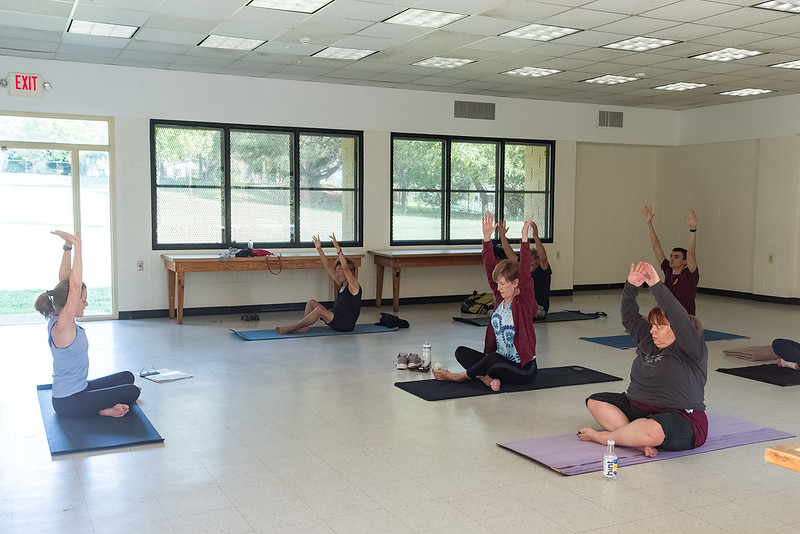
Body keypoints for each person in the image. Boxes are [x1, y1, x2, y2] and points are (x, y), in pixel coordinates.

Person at [578, 261, 708, 457]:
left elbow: (677, 315)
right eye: (652, 325)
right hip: (637, 407)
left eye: (660, 326)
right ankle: (635, 441)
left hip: (679, 416)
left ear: (676, 329)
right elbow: (629, 318)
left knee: (652, 429)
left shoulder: (689, 347)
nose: (652, 330)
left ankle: (607, 438)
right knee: (596, 402)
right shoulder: (648, 339)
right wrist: (630, 287)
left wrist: (656, 284)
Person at [34, 231, 140, 418]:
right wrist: (79, 247)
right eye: (83, 300)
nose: (86, 303)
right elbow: (74, 287)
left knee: (127, 377)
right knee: (132, 391)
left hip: (79, 389)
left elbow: (66, 282)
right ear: (72, 303)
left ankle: (99, 405)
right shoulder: (62, 327)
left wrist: (68, 247)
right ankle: (101, 410)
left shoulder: (58, 314)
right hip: (69, 401)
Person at [433, 213, 538, 392]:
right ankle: (486, 379)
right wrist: (487, 238)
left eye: (503, 284)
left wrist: (524, 238)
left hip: (523, 369)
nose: (499, 289)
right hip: (499, 362)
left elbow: (526, 275)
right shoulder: (499, 298)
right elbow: (490, 267)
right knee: (462, 352)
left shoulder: (524, 302)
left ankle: (458, 377)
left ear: (515, 283)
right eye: (498, 284)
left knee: (493, 360)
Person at [276, 234, 361, 335]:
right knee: (311, 303)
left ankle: (290, 328)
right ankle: (304, 327)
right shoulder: (342, 283)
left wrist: (338, 249)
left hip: (345, 324)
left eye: (339, 271)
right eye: (337, 271)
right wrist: (319, 249)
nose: (337, 273)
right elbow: (328, 267)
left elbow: (346, 268)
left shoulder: (354, 286)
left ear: (349, 272)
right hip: (335, 317)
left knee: (319, 310)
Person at [642, 205, 699, 315]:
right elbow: (656, 247)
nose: (672, 259)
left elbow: (691, 253)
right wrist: (649, 223)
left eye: (676, 257)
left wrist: (693, 230)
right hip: (668, 316)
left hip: (685, 319)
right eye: (671, 256)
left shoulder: (690, 274)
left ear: (685, 262)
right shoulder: (668, 269)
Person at [497, 218, 551, 319]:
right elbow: (510, 254)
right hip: (525, 304)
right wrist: (502, 236)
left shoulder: (542, 269)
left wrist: (536, 237)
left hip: (539, 308)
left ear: (537, 261)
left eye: (529, 260)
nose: (526, 263)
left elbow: (543, 257)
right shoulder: (523, 267)